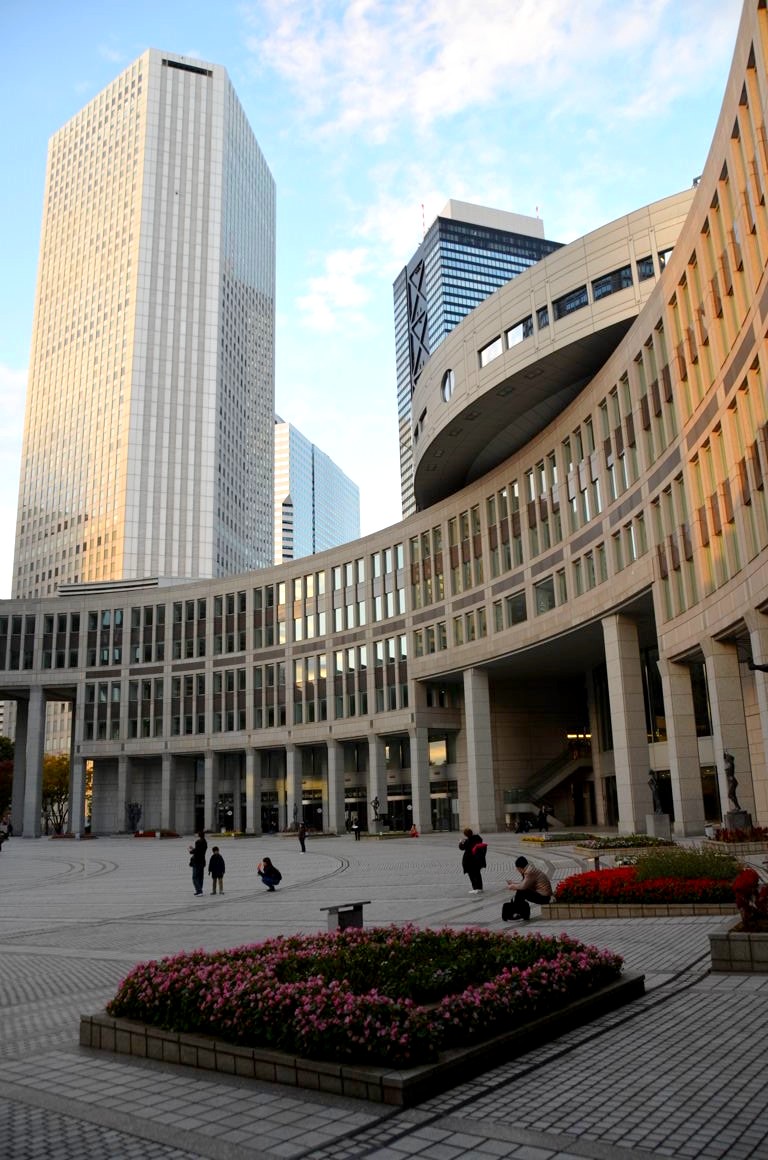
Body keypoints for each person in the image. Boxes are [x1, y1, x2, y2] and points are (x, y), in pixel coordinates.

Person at [503, 855, 552, 922]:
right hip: (544, 896)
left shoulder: (529, 872)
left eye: (517, 869)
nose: (517, 870)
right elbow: (525, 884)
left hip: (544, 898)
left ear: (520, 868)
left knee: (522, 891)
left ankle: (518, 913)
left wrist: (512, 886)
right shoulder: (530, 869)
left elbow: (523, 886)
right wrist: (514, 884)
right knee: (521, 891)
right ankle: (521, 913)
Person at [459, 827, 487, 894]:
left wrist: (460, 842)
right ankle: (480, 888)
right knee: (477, 873)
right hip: (478, 859)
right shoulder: (478, 838)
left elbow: (462, 848)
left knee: (471, 875)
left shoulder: (467, 841)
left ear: (465, 834)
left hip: (470, 860)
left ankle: (475, 888)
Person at [189, 830, 207, 896]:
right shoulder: (205, 842)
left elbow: (197, 851)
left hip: (197, 861)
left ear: (199, 835)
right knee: (200, 877)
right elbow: (199, 850)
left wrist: (191, 851)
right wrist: (194, 849)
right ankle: (200, 890)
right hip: (202, 861)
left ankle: (199, 891)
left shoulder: (198, 842)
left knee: (195, 877)